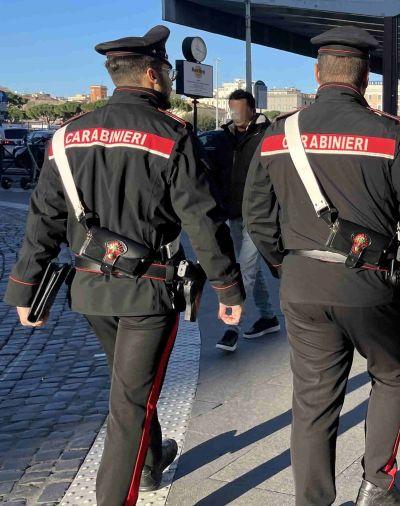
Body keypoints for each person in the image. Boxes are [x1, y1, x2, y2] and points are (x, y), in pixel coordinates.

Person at [3, 26, 244, 505]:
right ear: (152, 74)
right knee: (131, 402)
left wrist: (25, 289)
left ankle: (150, 461)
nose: (170, 78)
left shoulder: (66, 136)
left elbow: (43, 217)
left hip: (90, 290)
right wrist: (227, 287)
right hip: (148, 293)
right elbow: (201, 218)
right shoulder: (171, 134)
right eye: (167, 70)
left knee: (130, 384)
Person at [243, 26, 400, 506]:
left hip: (302, 282)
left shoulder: (279, 133)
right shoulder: (388, 132)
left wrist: (284, 263)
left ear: (317, 75)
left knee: (313, 400)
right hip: (372, 284)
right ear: (365, 77)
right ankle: (377, 486)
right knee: (391, 376)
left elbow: (256, 215)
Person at [204, 89, 279, 352]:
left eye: (240, 109)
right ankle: (268, 316)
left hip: (259, 215)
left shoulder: (267, 134)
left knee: (245, 267)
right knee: (251, 268)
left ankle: (231, 327)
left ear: (252, 109)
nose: (235, 114)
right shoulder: (224, 137)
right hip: (234, 213)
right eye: (232, 108)